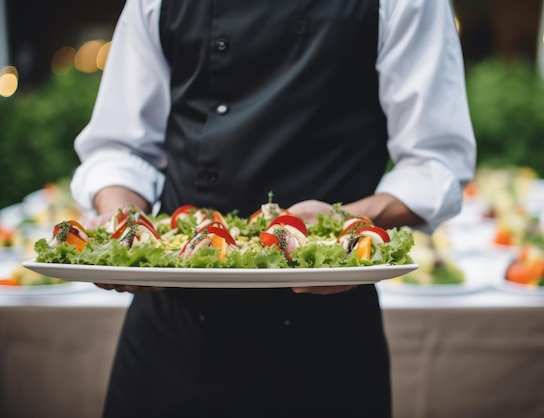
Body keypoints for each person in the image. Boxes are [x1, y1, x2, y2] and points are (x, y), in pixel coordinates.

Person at [70, 0, 476, 416]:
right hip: (172, 339)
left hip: (327, 348)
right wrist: (125, 228)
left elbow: (433, 162)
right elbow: (119, 146)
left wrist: (341, 226)